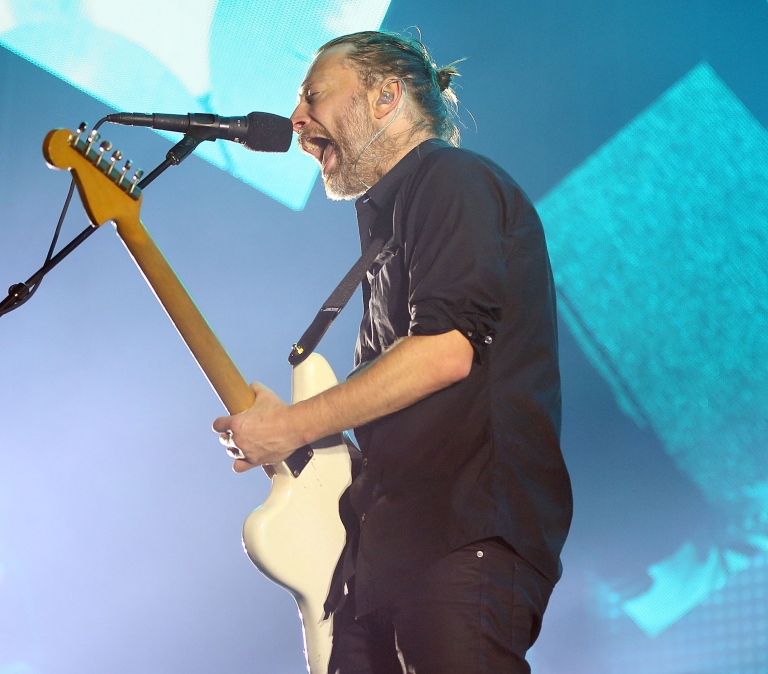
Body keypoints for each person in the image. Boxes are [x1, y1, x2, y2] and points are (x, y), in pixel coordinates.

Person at [212, 30, 573, 673]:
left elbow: (445, 353)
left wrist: (294, 424)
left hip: (460, 540)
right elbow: (414, 406)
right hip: (385, 559)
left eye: (314, 98)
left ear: (386, 97)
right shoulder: (392, 219)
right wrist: (307, 443)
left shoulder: (450, 178)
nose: (298, 121)